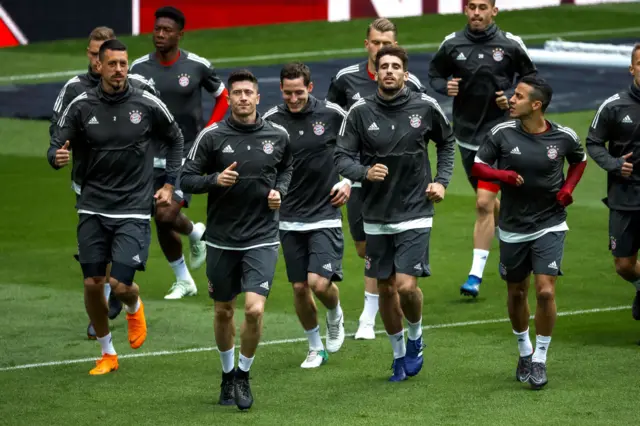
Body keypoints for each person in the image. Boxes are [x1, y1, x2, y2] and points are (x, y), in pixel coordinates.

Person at [47, 39, 184, 375]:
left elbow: (176, 137)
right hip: (92, 205)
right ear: (100, 66)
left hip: (133, 207)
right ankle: (108, 353)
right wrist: (56, 157)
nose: (119, 70)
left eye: (124, 63)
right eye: (113, 64)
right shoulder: (81, 104)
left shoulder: (146, 101)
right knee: (93, 283)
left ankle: (134, 306)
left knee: (120, 285)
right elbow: (55, 144)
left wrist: (169, 184)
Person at [335, 46, 455, 381]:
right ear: (376, 72)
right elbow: (341, 157)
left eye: (395, 66)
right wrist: (363, 172)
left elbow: (446, 142)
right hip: (375, 214)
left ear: (405, 73)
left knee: (404, 286)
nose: (389, 71)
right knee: (385, 288)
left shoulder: (425, 106)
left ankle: (415, 337)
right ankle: (398, 355)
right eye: (384, 66)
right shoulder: (359, 112)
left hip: (416, 210)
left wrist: (441, 182)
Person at [181, 70, 292, 410]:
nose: (243, 98)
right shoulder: (212, 136)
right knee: (223, 312)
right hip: (223, 239)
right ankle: (227, 374)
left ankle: (243, 375)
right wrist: (216, 179)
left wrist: (280, 192)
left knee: (255, 310)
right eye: (237, 93)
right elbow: (186, 177)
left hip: (262, 236)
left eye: (249, 92)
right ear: (229, 98)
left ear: (259, 97)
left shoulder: (278, 134)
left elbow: (287, 168)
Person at [471, 75, 587, 389]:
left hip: (550, 222)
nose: (511, 99)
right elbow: (479, 165)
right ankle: (524, 349)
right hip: (512, 227)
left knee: (546, 290)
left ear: (536, 105)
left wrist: (568, 188)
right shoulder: (501, 133)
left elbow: (580, 161)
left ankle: (540, 359)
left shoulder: (563, 137)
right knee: (516, 291)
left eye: (519, 96)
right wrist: (502, 175)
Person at [49, 26, 158, 339]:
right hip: (88, 182)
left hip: (129, 187)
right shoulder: (75, 90)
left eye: (107, 57)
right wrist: (59, 151)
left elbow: (161, 125)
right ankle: (106, 304)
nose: (101, 63)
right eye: (97, 55)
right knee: (98, 260)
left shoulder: (137, 87)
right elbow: (57, 130)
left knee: (115, 255)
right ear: (90, 55)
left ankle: (114, 297)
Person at [326, 17, 427, 340]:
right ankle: (385, 301)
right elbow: (332, 127)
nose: (381, 49)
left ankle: (370, 317)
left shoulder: (410, 85)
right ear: (366, 44)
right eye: (376, 43)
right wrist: (344, 175)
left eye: (388, 44)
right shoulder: (346, 80)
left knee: (388, 263)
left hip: (400, 189)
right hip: (356, 180)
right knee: (363, 248)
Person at [428, 0, 536, 298]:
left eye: (482, 7)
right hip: (465, 136)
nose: (476, 12)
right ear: (466, 10)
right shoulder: (452, 44)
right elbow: (434, 74)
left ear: (494, 11)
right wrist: (444, 86)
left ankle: (474, 276)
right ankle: (517, 235)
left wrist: (513, 97)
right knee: (489, 202)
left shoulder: (510, 44)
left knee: (483, 203)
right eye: (471, 6)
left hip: (502, 136)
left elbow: (532, 79)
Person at [130, 6, 229, 300]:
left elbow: (222, 96)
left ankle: (198, 237)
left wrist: (207, 131)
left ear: (180, 35)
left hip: (186, 153)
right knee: (159, 217)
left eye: (167, 30)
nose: (160, 34)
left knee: (166, 212)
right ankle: (187, 269)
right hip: (149, 154)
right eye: (157, 29)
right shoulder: (137, 68)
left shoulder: (197, 66)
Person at [263, 62, 349, 368]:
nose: (293, 98)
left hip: (326, 210)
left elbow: (358, 149)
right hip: (287, 216)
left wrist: (348, 181)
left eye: (299, 92)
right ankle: (315, 347)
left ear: (310, 88)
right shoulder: (271, 120)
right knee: (299, 286)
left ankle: (335, 313)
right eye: (287, 93)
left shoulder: (333, 114)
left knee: (318, 283)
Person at [586, 43, 640, 322]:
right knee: (623, 265)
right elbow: (593, 143)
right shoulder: (614, 105)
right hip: (624, 196)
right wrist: (615, 165)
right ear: (632, 68)